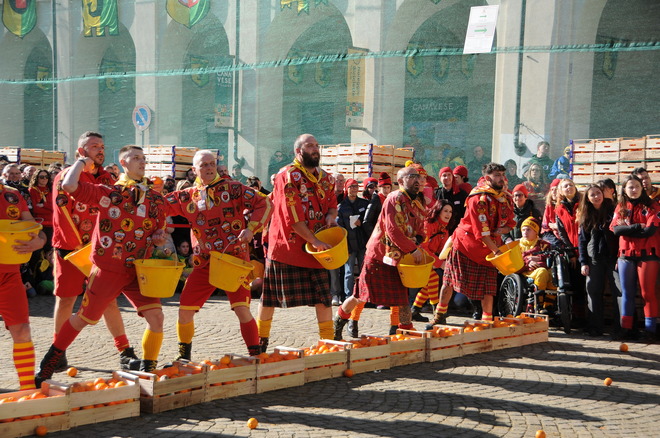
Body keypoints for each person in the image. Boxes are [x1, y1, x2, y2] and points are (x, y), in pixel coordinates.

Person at [35, 145, 169, 387]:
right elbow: (69, 186)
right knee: (85, 317)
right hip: (109, 269)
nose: (141, 161)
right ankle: (50, 360)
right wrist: (81, 163)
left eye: (143, 158)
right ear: (123, 163)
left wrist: (159, 238)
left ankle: (148, 371)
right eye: (135, 158)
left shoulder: (155, 198)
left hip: (139, 270)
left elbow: (159, 230)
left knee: (157, 317)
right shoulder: (110, 192)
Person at [163, 150, 271, 359]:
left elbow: (265, 203)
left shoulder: (233, 188)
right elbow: (157, 208)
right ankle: (184, 356)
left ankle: (255, 354)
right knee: (185, 309)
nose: (209, 168)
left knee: (242, 309)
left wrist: (251, 228)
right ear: (194, 170)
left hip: (233, 261)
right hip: (204, 262)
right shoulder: (186, 196)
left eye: (212, 163)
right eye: (204, 165)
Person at [50, 132, 138, 373]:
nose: (100, 150)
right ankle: (58, 351)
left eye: (102, 146)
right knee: (66, 300)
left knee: (108, 300)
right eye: (94, 146)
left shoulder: (109, 178)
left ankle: (125, 351)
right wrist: (77, 246)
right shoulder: (67, 176)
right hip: (71, 249)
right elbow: (62, 214)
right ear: (81, 151)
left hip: (100, 250)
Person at [257, 134, 338, 352]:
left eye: (317, 145)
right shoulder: (287, 176)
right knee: (269, 299)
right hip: (287, 247)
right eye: (310, 145)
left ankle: (328, 343)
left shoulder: (327, 179)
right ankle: (260, 342)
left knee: (324, 298)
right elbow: (292, 219)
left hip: (315, 249)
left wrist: (331, 216)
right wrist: (315, 240)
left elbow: (332, 204)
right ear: (298, 151)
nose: (315, 149)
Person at [333, 166, 426, 339]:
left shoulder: (418, 201)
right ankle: (338, 322)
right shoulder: (394, 198)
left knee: (402, 298)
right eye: (412, 176)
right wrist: (412, 248)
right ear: (400, 181)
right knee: (360, 295)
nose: (417, 180)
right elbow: (392, 229)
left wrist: (418, 239)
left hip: (400, 257)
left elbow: (421, 227)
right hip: (379, 254)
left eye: (418, 176)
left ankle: (406, 333)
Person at [430, 163, 515, 325]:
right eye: (497, 175)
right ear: (488, 178)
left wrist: (501, 230)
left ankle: (486, 322)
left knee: (488, 289)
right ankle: (439, 315)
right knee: (449, 281)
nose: (502, 179)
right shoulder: (478, 198)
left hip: (489, 250)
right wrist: (497, 251)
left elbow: (510, 223)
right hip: (465, 245)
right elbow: (481, 231)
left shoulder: (506, 198)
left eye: (503, 175)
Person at [0, 181, 47, 389]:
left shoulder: (12, 195)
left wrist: (39, 242)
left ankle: (27, 390)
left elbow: (35, 229)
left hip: (10, 276)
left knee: (22, 331)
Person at [610, 175, 659, 342]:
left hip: (648, 255)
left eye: (637, 186)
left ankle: (650, 331)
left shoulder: (652, 206)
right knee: (627, 293)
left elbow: (650, 231)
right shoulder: (621, 207)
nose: (634, 189)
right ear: (624, 189)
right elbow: (616, 230)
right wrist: (637, 226)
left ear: (642, 188)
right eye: (630, 187)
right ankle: (626, 329)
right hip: (625, 255)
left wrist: (627, 229)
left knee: (647, 293)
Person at [577, 184, 620, 337]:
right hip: (594, 258)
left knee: (619, 292)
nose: (596, 196)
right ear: (588, 199)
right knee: (593, 292)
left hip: (613, 257)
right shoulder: (586, 215)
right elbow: (582, 241)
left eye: (598, 193)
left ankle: (621, 328)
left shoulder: (613, 210)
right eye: (592, 195)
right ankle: (595, 327)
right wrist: (583, 262)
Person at [411, 200, 454, 323]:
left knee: (429, 284)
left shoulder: (444, 229)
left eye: (450, 212)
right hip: (415, 256)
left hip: (428, 260)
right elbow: (422, 247)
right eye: (445, 211)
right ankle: (437, 308)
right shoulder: (428, 224)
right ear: (438, 212)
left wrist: (446, 261)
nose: (448, 214)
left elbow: (442, 250)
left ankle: (415, 310)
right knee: (433, 278)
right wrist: (439, 263)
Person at [337, 179, 369, 312]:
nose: (354, 189)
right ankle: (348, 297)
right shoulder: (341, 206)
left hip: (362, 243)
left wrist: (361, 223)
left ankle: (363, 296)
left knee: (364, 271)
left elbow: (369, 222)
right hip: (349, 244)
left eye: (356, 186)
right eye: (351, 187)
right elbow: (339, 228)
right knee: (349, 272)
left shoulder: (364, 204)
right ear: (347, 188)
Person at [516, 217, 557, 313]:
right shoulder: (517, 245)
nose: (525, 232)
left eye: (528, 230)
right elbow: (515, 260)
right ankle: (537, 303)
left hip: (540, 268)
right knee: (542, 272)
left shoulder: (543, 244)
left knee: (553, 273)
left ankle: (549, 304)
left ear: (535, 232)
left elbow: (549, 256)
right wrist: (528, 261)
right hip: (525, 271)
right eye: (523, 230)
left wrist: (539, 258)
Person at [434, 166, 467, 233]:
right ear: (440, 178)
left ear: (452, 177)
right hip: (440, 231)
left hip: (458, 230)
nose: (447, 177)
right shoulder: (436, 194)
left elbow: (466, 213)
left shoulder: (461, 194)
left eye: (449, 175)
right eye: (444, 175)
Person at [363, 172, 393, 237]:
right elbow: (366, 221)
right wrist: (375, 235)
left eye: (388, 187)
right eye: (384, 188)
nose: (386, 190)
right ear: (379, 188)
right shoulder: (376, 199)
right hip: (378, 234)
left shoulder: (391, 199)